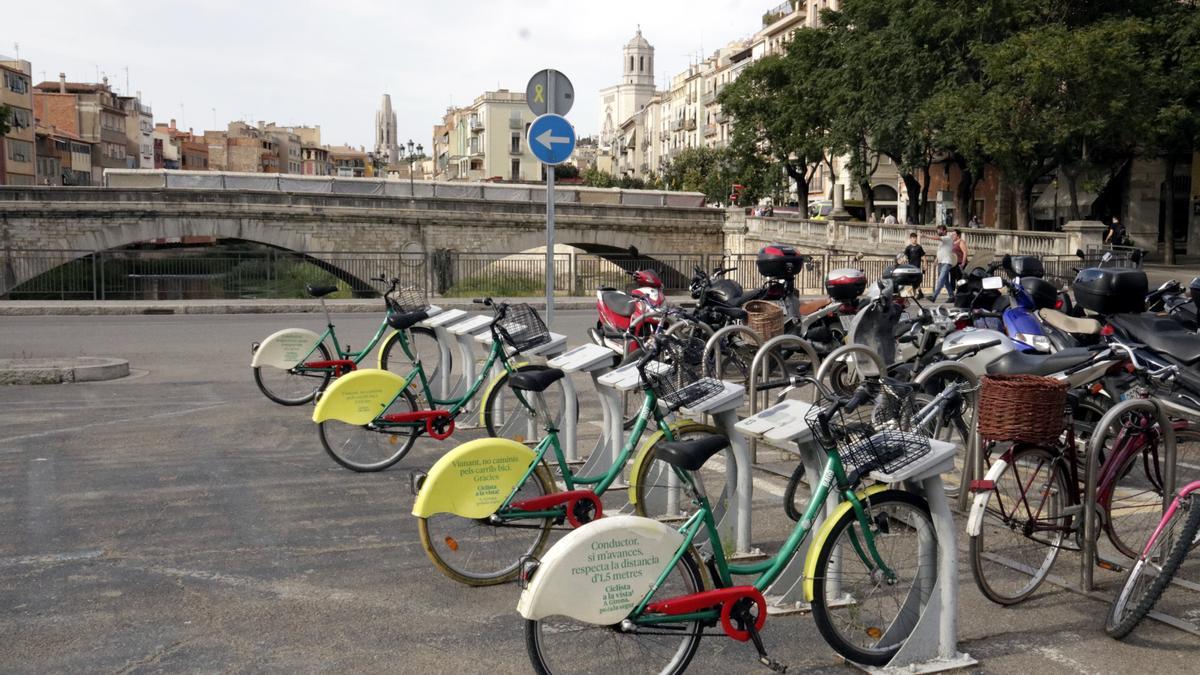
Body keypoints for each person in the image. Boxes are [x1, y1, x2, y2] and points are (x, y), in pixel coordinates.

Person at [925, 225, 956, 302]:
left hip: (946, 262)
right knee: (945, 281)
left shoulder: (947, 238)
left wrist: (925, 235)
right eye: (938, 230)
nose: (938, 231)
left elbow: (937, 238)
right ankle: (952, 296)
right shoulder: (941, 242)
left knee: (941, 279)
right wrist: (936, 260)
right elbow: (940, 251)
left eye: (940, 230)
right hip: (940, 263)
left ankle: (934, 296)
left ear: (945, 231)